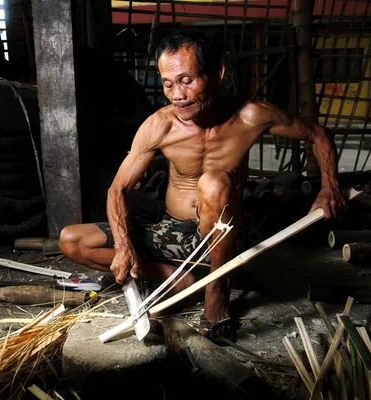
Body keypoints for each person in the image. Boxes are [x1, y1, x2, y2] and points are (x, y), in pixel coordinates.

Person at [59, 30, 345, 342]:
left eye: (186, 80)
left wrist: (329, 186)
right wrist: (124, 245)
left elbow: (317, 134)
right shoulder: (161, 125)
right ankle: (173, 275)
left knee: (213, 181)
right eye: (168, 84)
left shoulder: (251, 116)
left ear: (217, 74)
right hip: (172, 230)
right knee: (71, 240)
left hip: (221, 237)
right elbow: (118, 189)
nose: (176, 94)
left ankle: (216, 288)